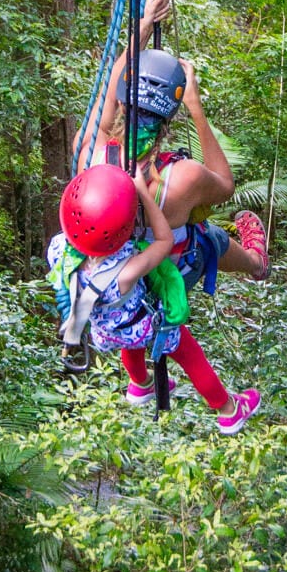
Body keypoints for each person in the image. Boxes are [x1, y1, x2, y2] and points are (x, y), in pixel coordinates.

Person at [73, 0, 270, 293]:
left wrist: (143, 27)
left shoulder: (89, 154)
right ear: (169, 119)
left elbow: (105, 98)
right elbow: (226, 185)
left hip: (108, 279)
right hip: (164, 280)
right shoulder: (182, 178)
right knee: (209, 236)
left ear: (124, 105)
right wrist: (195, 106)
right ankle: (256, 263)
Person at [47, 162, 261, 434]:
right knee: (189, 354)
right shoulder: (124, 272)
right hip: (141, 327)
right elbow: (164, 241)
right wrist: (143, 194)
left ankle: (140, 383)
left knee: (130, 330)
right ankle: (228, 409)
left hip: (103, 333)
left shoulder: (57, 249)